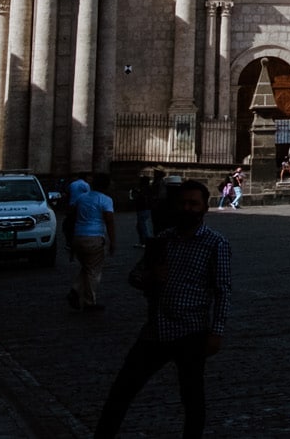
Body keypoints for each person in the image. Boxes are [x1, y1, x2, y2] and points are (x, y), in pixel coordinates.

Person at [93, 181, 230, 439]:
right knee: (121, 391)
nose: (188, 208)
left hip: (192, 331)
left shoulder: (216, 244)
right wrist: (150, 276)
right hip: (155, 330)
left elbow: (223, 290)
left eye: (194, 204)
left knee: (192, 398)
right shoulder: (162, 241)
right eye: (184, 203)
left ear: (205, 208)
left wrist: (217, 331)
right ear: (175, 206)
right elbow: (134, 276)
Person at [66, 175, 117, 312]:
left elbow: (72, 216)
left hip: (78, 236)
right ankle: (89, 302)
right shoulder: (106, 200)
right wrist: (113, 241)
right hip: (94, 238)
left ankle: (75, 291)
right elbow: (110, 221)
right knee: (94, 271)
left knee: (88, 267)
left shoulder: (81, 198)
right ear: (106, 186)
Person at [129, 171, 157, 248]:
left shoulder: (144, 189)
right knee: (141, 225)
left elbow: (140, 198)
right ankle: (143, 242)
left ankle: (145, 242)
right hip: (145, 208)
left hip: (143, 208)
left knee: (143, 226)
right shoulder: (147, 189)